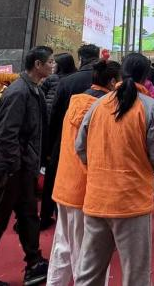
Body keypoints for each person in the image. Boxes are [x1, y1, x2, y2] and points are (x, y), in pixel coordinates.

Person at [75, 53, 154, 286]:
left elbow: (80, 147)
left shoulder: (98, 105)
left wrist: (101, 167)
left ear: (120, 74)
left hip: (97, 198)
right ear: (146, 76)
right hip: (132, 200)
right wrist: (141, 167)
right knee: (135, 275)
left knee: (89, 272)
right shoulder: (149, 107)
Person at [0, 46, 54, 286]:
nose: (52, 65)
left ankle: (34, 262)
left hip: (23, 167)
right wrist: (13, 167)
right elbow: (5, 135)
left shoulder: (33, 89)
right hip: (11, 169)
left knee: (28, 215)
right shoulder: (19, 92)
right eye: (50, 62)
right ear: (37, 64)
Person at [47, 60, 120, 286]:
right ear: (112, 82)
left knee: (62, 246)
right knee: (89, 255)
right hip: (88, 189)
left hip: (65, 184)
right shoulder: (104, 109)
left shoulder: (75, 102)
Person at [43, 43, 100, 228]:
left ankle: (47, 214)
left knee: (56, 175)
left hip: (66, 136)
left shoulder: (68, 81)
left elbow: (55, 115)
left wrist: (49, 145)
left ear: (81, 58)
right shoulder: (106, 79)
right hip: (98, 139)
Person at [42, 53, 77, 120]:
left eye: (54, 63)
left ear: (61, 65)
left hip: (50, 115)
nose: (52, 66)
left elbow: (42, 94)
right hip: (68, 115)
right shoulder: (75, 78)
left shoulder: (52, 78)